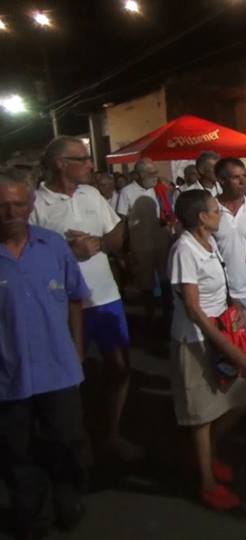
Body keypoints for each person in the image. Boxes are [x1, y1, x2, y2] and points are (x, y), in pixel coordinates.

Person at [30, 137, 142, 462]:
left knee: (120, 367)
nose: (91, 165)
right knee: (72, 376)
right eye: (83, 159)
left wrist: (101, 242)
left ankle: (111, 434)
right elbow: (24, 255)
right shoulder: (36, 203)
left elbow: (116, 235)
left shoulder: (91, 194)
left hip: (106, 297)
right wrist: (68, 252)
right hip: (63, 304)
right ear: (62, 164)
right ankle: (78, 441)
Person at [0, 170, 90, 538]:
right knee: (17, 453)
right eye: (2, 206)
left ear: (31, 205)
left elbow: (74, 298)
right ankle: (31, 516)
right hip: (8, 374)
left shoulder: (53, 246)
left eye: (18, 204)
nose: (10, 212)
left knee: (66, 442)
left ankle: (68, 502)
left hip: (59, 368)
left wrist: (78, 348)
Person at [168, 190, 246, 510]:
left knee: (241, 400)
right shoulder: (184, 250)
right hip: (196, 341)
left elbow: (219, 287)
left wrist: (234, 311)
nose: (220, 213)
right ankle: (206, 481)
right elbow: (192, 308)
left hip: (220, 334)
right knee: (202, 415)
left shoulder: (210, 243)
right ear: (201, 217)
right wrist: (229, 349)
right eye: (214, 210)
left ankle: (204, 455)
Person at [116, 158, 173, 335]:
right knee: (146, 286)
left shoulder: (160, 189)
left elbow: (168, 212)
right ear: (140, 175)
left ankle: (168, 318)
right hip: (141, 246)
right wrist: (123, 250)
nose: (155, 176)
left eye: (156, 173)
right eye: (151, 174)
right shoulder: (127, 192)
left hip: (162, 242)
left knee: (166, 282)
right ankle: (149, 321)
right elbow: (122, 220)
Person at [212, 157, 246, 339]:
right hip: (220, 295)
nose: (243, 181)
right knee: (228, 348)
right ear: (220, 180)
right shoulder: (210, 211)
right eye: (236, 177)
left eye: (244, 176)